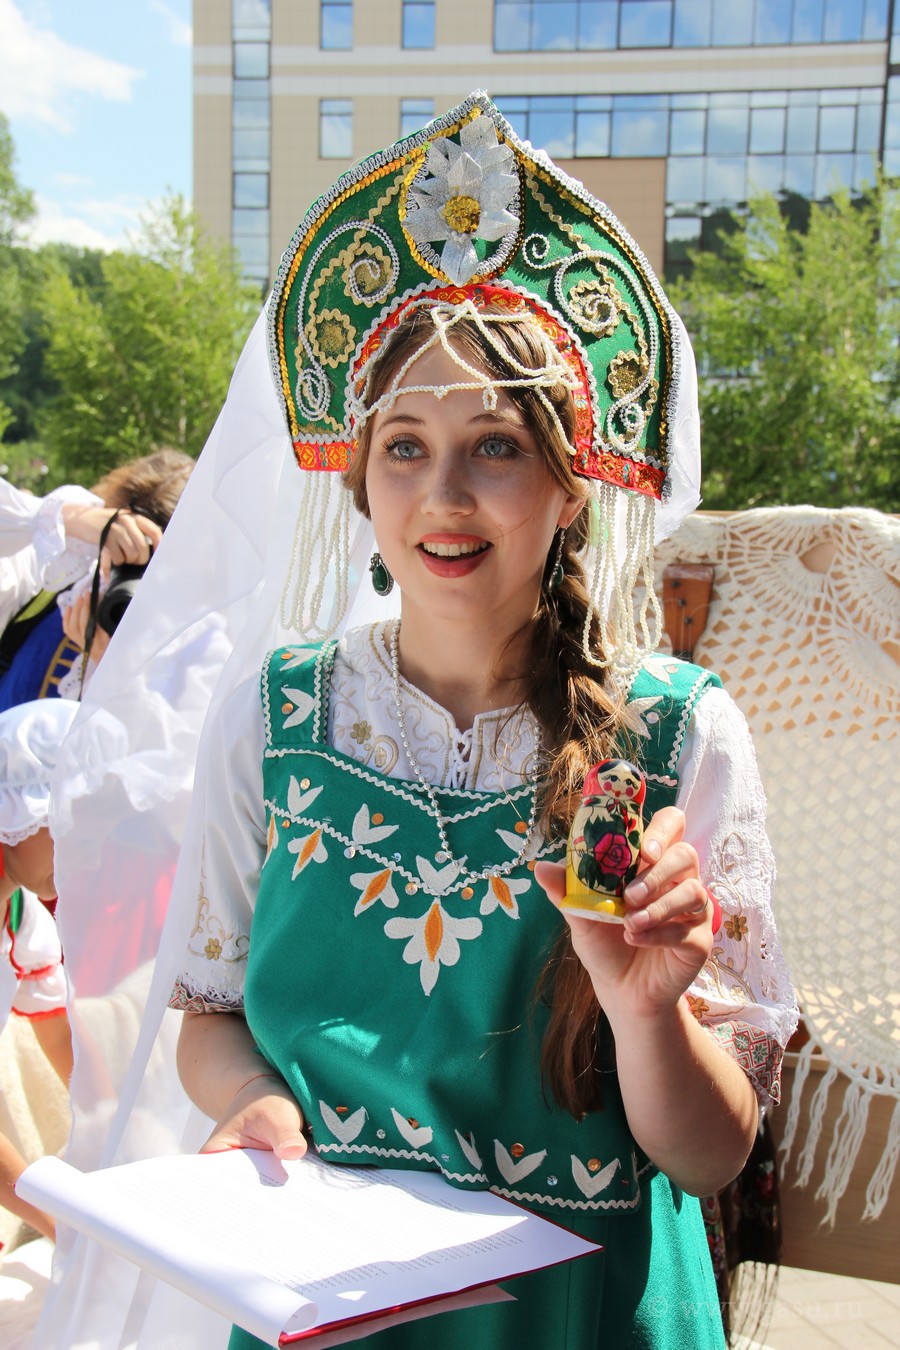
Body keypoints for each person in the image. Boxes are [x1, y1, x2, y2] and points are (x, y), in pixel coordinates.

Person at [36, 94, 797, 1350]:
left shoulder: (674, 741)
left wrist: (646, 1008)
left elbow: (710, 1158)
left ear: (573, 485)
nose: (442, 495)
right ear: (358, 479)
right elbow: (211, 1019)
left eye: (495, 445)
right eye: (403, 445)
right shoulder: (277, 719)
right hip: (328, 1306)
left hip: (578, 1316)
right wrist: (251, 1105)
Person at [0, 698, 78, 1245]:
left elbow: (63, 1048)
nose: (79, 845)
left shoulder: (23, 917)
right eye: (63, 823)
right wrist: (63, 1226)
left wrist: (123, 1125)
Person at [0, 463, 171, 711]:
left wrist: (114, 671)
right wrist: (67, 519)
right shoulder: (61, 569)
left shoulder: (185, 651)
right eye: (119, 548)